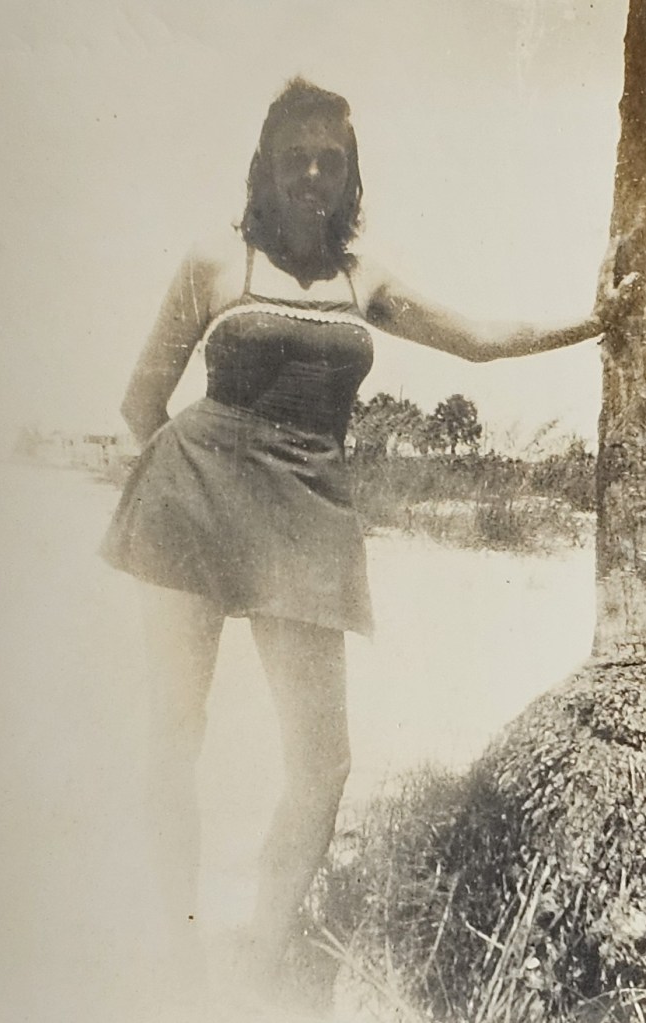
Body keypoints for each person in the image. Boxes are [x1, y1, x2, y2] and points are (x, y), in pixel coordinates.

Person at [100, 78, 633, 1016]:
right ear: (265, 167)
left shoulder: (363, 279)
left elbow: (477, 339)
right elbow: (143, 399)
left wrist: (597, 321)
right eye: (295, 157)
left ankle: (261, 962)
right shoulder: (214, 262)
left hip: (305, 519)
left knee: (322, 764)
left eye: (330, 159)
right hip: (190, 506)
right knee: (173, 736)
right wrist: (188, 491)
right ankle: (174, 956)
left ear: (349, 175)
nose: (311, 174)